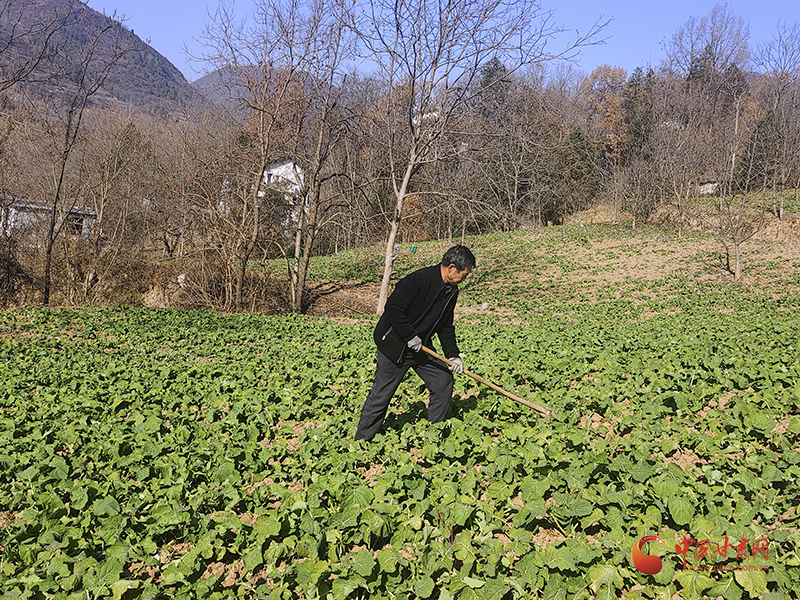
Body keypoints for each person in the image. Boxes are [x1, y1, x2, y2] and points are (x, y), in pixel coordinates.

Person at [355, 245, 476, 441]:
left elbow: (445, 325)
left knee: (442, 380)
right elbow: (393, 308)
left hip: (421, 347)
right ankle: (362, 441)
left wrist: (453, 355)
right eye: (465, 274)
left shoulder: (451, 291)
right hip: (394, 345)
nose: (465, 278)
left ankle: (434, 434)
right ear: (452, 267)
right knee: (382, 394)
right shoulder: (419, 280)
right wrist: (409, 336)